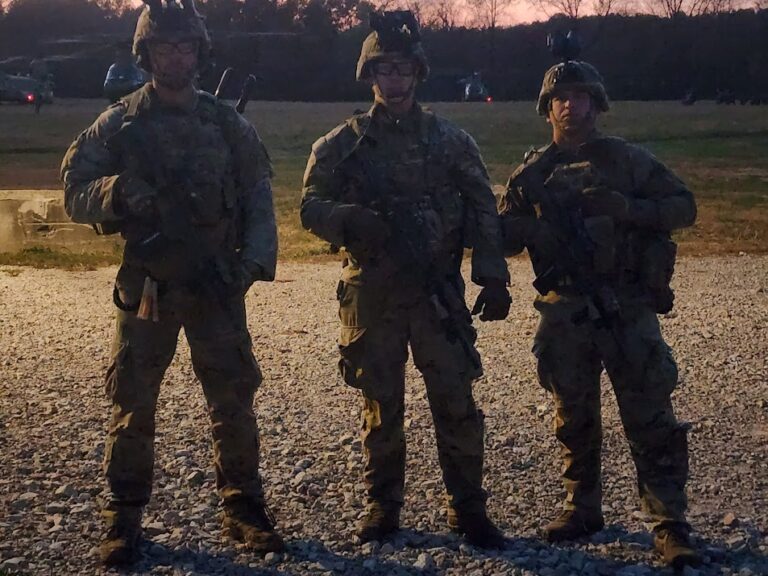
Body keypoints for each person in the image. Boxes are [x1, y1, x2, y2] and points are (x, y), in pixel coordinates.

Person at [60, 0, 282, 565]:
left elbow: (259, 198)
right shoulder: (121, 122)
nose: (175, 57)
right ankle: (124, 515)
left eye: (184, 47)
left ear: (199, 54)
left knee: (232, 400)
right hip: (149, 285)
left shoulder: (226, 123)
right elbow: (74, 190)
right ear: (146, 54)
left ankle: (243, 507)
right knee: (132, 404)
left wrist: (249, 268)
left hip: (214, 284)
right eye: (164, 48)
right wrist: (116, 192)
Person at [300, 10, 511, 548]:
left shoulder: (451, 141)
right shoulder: (341, 144)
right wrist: (349, 220)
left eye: (403, 69)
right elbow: (309, 205)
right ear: (370, 76)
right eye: (384, 70)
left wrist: (492, 276)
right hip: (372, 292)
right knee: (380, 403)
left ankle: (468, 506)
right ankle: (382, 504)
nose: (394, 80)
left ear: (418, 74)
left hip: (436, 290)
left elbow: (482, 206)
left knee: (456, 401)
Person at [498, 58, 700, 569]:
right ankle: (582, 507)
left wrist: (629, 209)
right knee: (573, 416)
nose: (571, 105)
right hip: (564, 312)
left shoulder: (628, 162)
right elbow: (499, 236)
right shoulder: (532, 173)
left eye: (581, 96)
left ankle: (669, 522)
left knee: (650, 413)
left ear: (597, 103)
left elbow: (683, 207)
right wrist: (529, 230)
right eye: (561, 97)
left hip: (625, 307)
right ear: (547, 108)